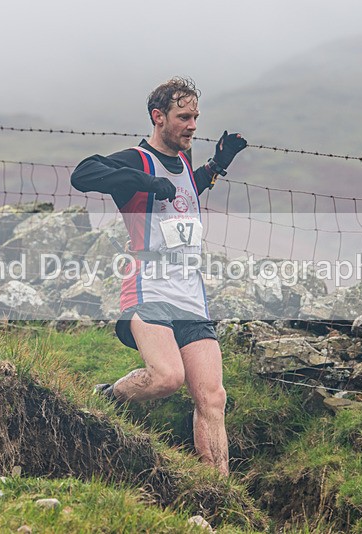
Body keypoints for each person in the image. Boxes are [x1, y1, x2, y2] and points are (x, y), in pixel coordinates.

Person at [69, 77, 247, 476]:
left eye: (196, 117)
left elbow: (184, 192)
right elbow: (83, 173)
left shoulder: (182, 163)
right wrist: (143, 182)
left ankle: (218, 491)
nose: (193, 125)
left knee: (213, 398)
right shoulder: (138, 160)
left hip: (190, 293)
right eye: (183, 117)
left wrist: (217, 165)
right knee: (167, 377)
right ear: (158, 117)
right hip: (148, 286)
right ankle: (110, 397)